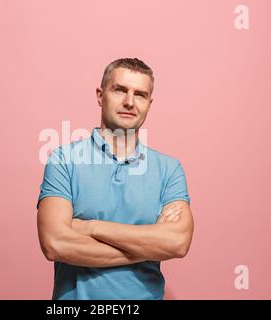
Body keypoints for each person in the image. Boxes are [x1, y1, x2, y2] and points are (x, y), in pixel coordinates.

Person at [36, 58, 194, 300]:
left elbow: (178, 243)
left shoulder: (169, 169)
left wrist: (90, 227)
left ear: (149, 104)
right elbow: (55, 243)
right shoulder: (63, 160)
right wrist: (150, 245)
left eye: (140, 95)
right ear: (100, 95)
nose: (129, 102)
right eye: (120, 90)